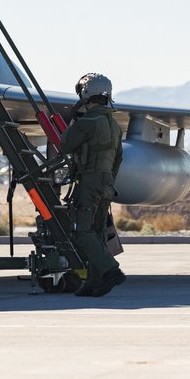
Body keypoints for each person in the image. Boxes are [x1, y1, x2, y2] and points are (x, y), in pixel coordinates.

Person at [60, 72, 126, 297]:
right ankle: (93, 283)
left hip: (89, 181)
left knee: (82, 231)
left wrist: (74, 121)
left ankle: (110, 271)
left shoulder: (87, 123)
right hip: (107, 181)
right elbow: (119, 159)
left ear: (86, 93)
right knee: (96, 232)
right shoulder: (115, 126)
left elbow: (64, 146)